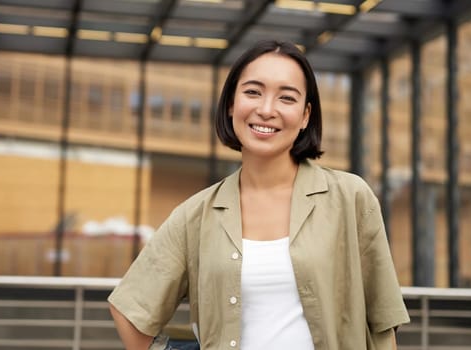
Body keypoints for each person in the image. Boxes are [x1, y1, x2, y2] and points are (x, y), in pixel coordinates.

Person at [108, 39, 409, 350]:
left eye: (287, 98)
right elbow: (130, 309)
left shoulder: (351, 197)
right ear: (231, 104)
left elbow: (383, 320)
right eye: (252, 92)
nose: (266, 110)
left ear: (306, 116)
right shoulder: (195, 215)